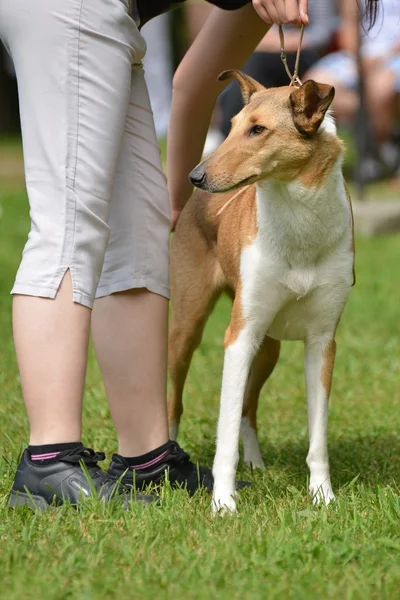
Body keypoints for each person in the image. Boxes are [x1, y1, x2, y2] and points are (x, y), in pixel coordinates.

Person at [0, 0, 375, 510]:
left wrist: (171, 197)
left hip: (119, 22)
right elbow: (197, 81)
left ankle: (146, 458)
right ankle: (49, 460)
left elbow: (194, 81)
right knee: (70, 225)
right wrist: (188, 192)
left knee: (134, 237)